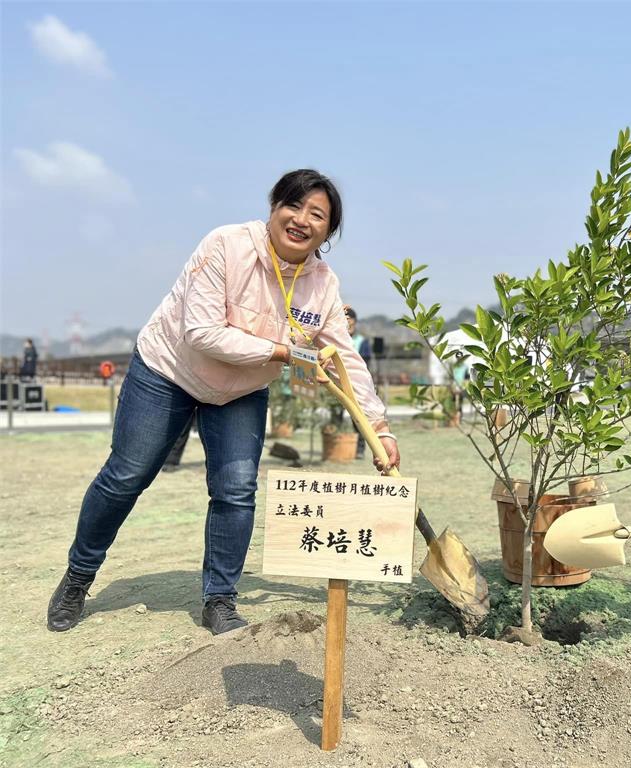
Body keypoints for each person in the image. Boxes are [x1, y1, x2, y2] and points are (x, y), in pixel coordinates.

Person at [47, 169, 399, 636]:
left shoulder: (323, 286)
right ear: (274, 207)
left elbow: (345, 360)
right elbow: (202, 333)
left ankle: (220, 599)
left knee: (235, 491)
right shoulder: (226, 246)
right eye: (293, 205)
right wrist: (285, 352)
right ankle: (77, 578)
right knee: (126, 476)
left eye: (318, 215)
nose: (301, 219)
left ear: (328, 232)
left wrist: (379, 428)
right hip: (169, 370)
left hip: (240, 391)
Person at [344, 306, 371, 457]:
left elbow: (367, 363)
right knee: (336, 415)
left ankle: (360, 448)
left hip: (356, 384)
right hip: (336, 382)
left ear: (354, 321)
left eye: (348, 319)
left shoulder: (362, 341)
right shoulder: (335, 338)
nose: (346, 322)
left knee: (358, 418)